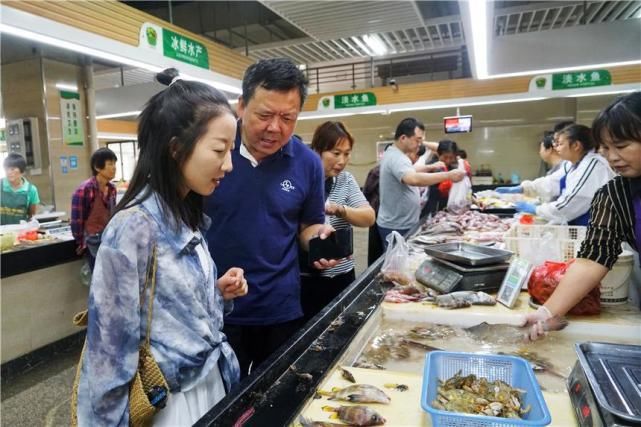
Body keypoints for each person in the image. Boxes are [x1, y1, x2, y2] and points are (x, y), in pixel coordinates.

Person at [75, 68, 248, 426]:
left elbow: (169, 313)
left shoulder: (186, 213)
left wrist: (216, 293)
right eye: (219, 149)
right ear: (175, 148)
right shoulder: (133, 228)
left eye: (231, 149)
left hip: (209, 386)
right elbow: (108, 353)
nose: (229, 165)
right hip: (169, 405)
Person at [204, 58, 336, 378]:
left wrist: (320, 238)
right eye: (264, 115)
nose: (274, 128)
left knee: (275, 397)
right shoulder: (212, 152)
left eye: (287, 118)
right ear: (241, 107)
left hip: (280, 307)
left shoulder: (307, 163)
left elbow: (308, 225)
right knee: (221, 403)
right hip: (216, 305)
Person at [524, 91, 641, 340]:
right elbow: (592, 259)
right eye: (605, 148)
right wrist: (547, 312)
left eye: (620, 146)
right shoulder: (616, 194)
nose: (612, 157)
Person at [301, 121, 375, 320]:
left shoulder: (345, 180)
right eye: (335, 153)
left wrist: (340, 209)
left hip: (342, 274)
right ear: (317, 150)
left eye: (347, 153)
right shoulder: (301, 178)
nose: (342, 161)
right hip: (307, 278)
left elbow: (368, 217)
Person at [496, 124, 614, 225]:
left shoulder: (593, 166)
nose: (557, 148)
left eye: (560, 144)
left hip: (595, 228)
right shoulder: (572, 164)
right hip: (578, 225)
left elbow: (569, 204)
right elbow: (552, 182)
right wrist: (524, 188)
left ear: (576, 146)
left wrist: (536, 209)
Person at [377, 118, 465, 247]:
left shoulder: (394, 153)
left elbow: (410, 171)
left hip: (400, 222)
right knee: (398, 263)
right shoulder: (397, 158)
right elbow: (413, 179)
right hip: (397, 225)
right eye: (417, 140)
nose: (420, 144)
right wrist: (448, 175)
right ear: (403, 138)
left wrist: (430, 167)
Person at [70, 147, 118, 270]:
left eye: (115, 163)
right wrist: (81, 242)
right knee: (98, 283)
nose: (114, 167)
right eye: (110, 164)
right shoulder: (84, 190)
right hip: (92, 242)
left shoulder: (112, 189)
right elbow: (77, 220)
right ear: (97, 167)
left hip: (109, 241)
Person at [421, 139, 461, 217]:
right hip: (433, 206)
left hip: (451, 206)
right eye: (445, 157)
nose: (448, 160)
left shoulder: (455, 166)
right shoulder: (431, 166)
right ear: (438, 154)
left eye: (451, 157)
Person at [0, 153, 40, 224]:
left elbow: (32, 216)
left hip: (21, 232)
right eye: (6, 169)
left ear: (22, 171)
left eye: (12, 169)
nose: (9, 172)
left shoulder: (31, 190)